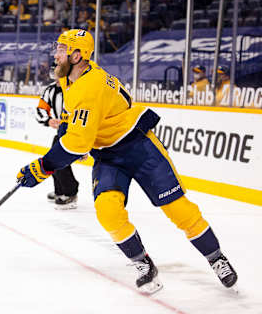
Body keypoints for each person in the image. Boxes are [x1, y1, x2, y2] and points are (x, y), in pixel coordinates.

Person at [16, 29, 238, 294]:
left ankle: (216, 257)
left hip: (139, 147)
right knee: (107, 211)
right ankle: (143, 263)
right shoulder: (71, 77)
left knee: (178, 209)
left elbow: (77, 144)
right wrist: (62, 141)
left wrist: (42, 167)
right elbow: (73, 122)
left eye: (62, 50)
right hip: (108, 155)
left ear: (77, 56)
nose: (56, 54)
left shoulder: (88, 86)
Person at [36, 63, 79, 209]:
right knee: (53, 159)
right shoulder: (50, 91)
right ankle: (61, 190)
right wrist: (49, 120)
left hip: (76, 132)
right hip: (61, 132)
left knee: (57, 159)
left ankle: (70, 192)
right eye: (55, 74)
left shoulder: (76, 89)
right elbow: (41, 110)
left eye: (59, 74)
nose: (56, 78)